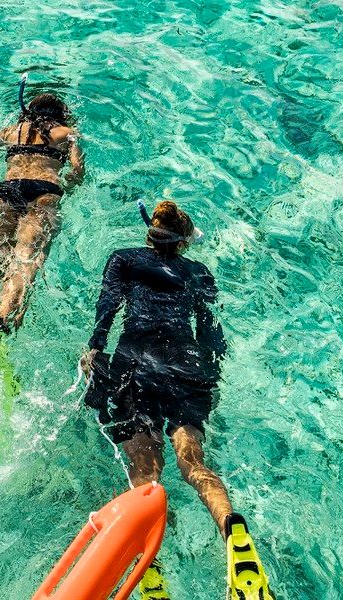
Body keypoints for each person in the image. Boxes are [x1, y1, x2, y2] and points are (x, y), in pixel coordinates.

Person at [81, 201, 276, 597]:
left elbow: (109, 305)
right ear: (184, 243)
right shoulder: (198, 271)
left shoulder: (123, 259)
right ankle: (231, 529)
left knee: (145, 467)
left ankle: (149, 564)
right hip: (185, 364)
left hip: (137, 361)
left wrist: (95, 347)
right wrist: (210, 376)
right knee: (193, 460)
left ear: (148, 233)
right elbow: (210, 330)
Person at [0, 81, 85, 333]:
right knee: (26, 257)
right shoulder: (67, 133)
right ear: (60, 113)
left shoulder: (9, 131)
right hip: (43, 193)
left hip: (7, 190)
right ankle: (2, 320)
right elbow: (77, 170)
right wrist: (71, 188)